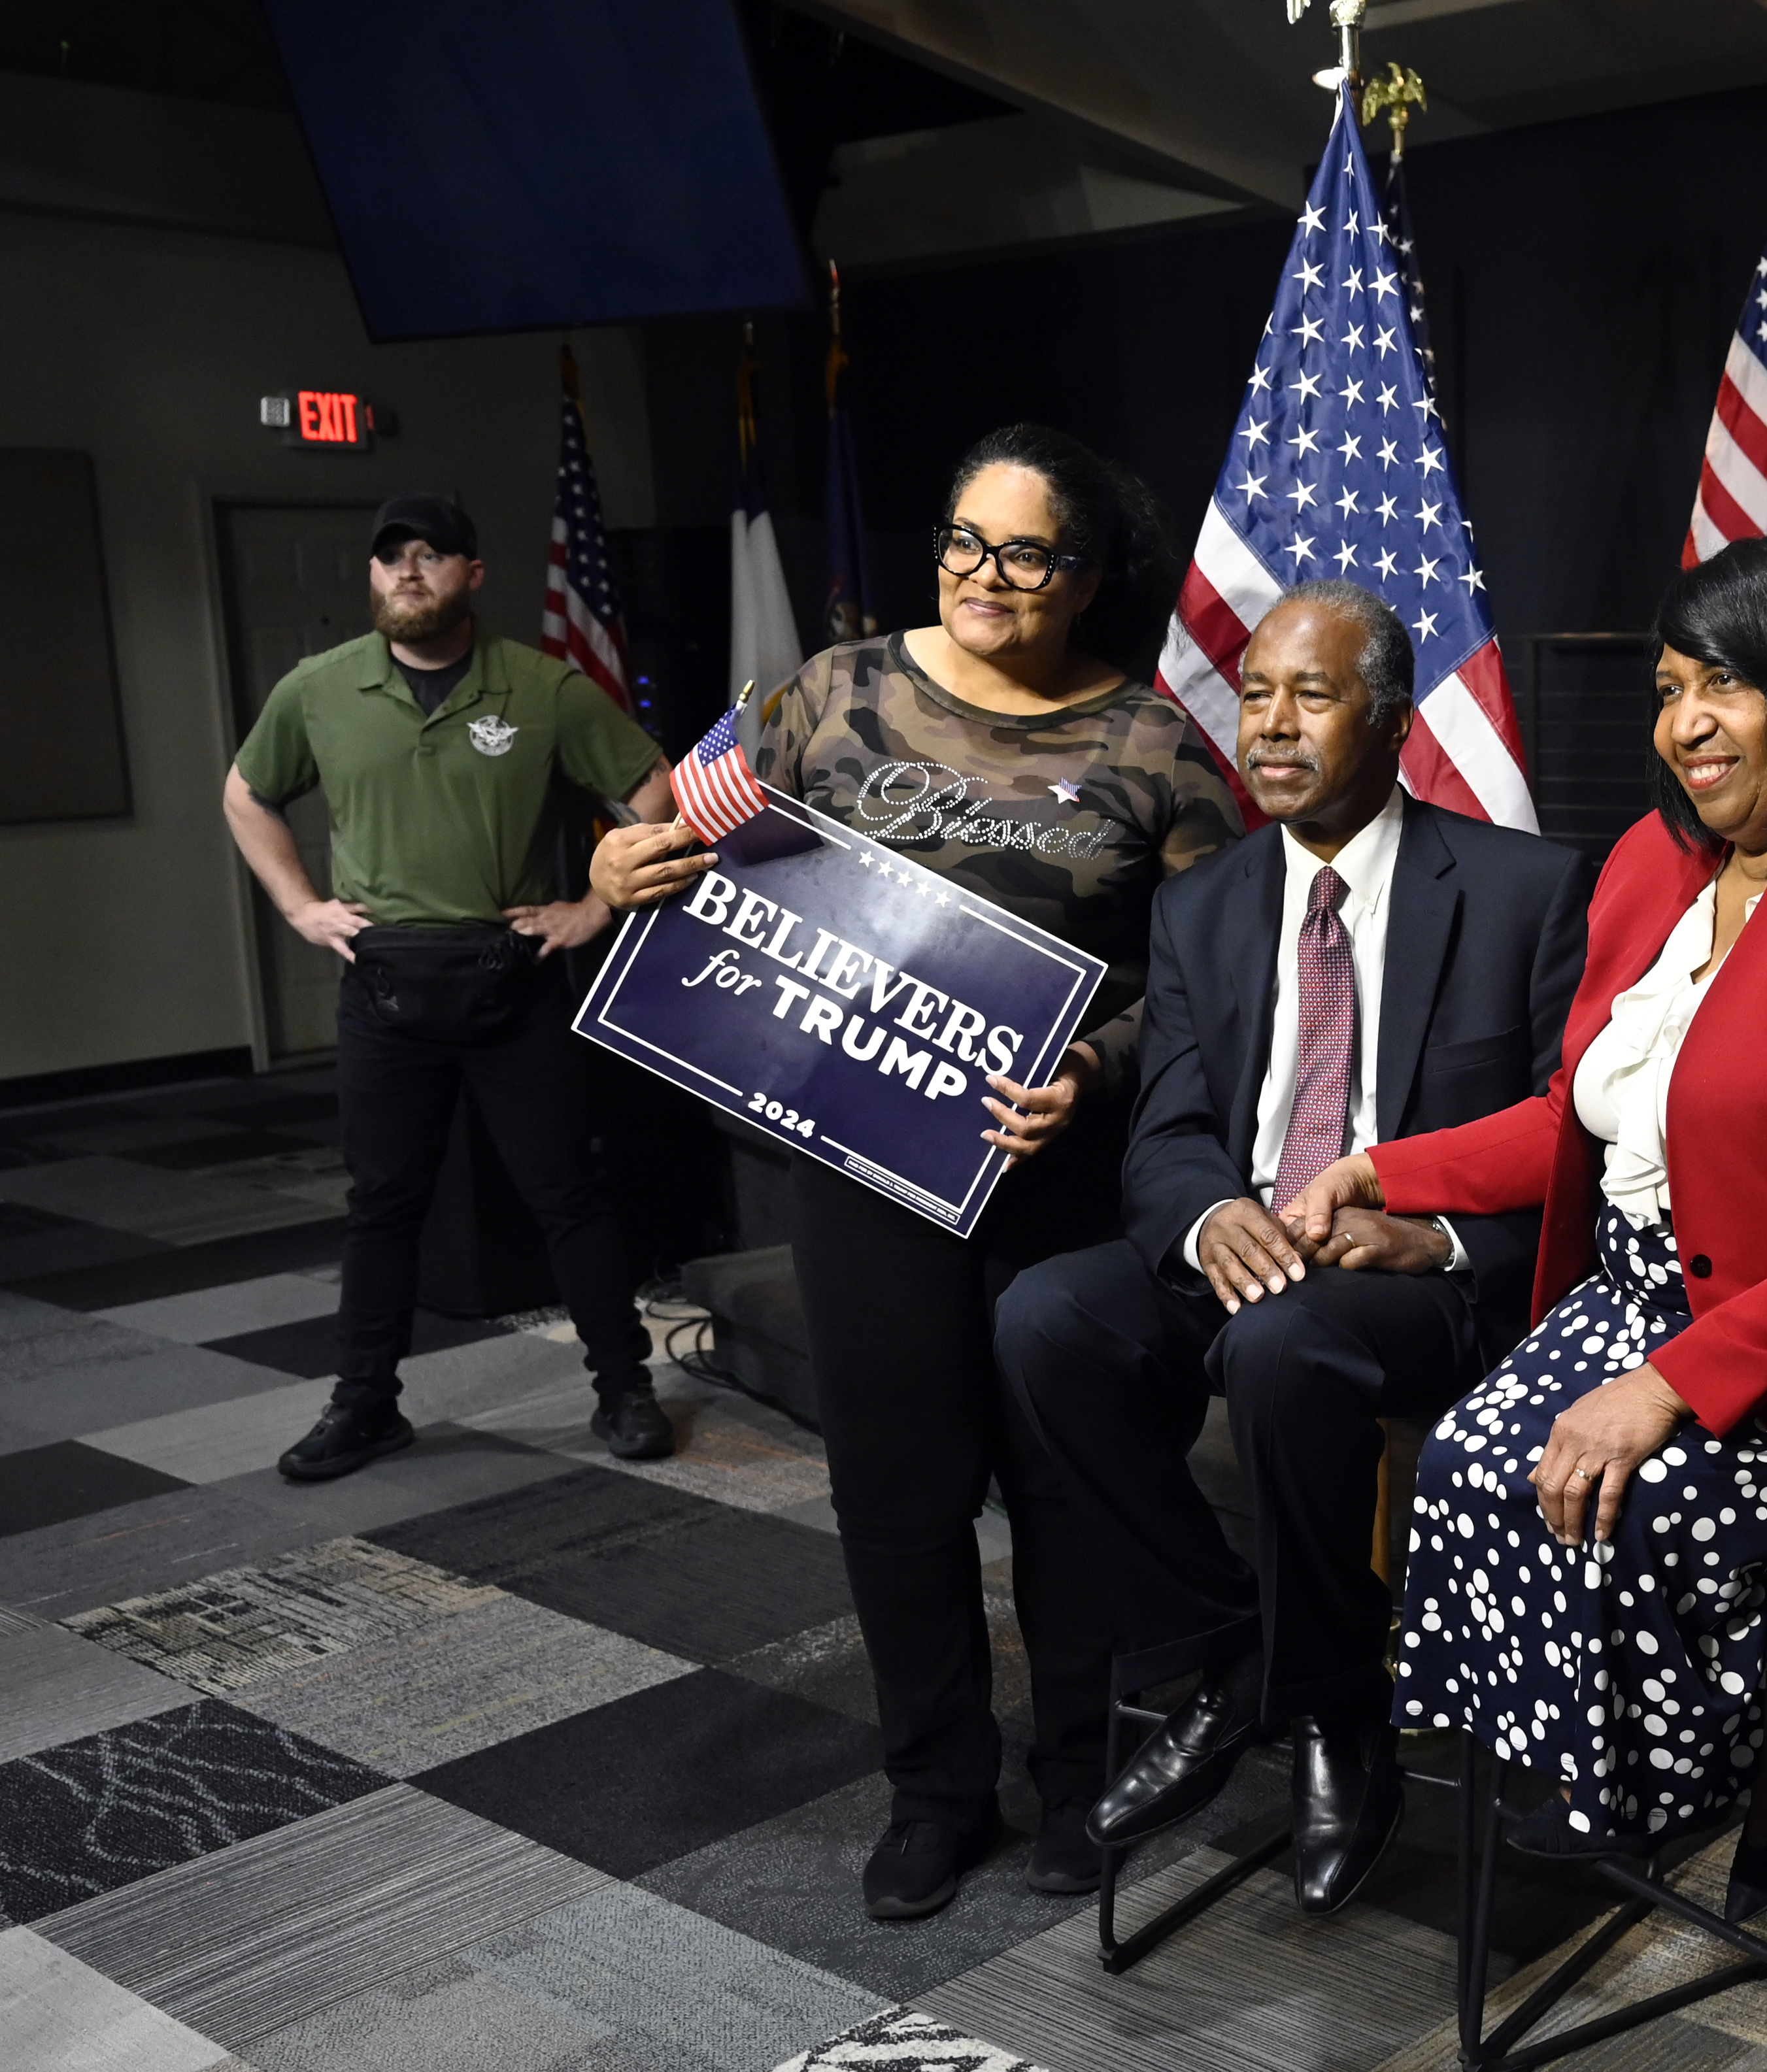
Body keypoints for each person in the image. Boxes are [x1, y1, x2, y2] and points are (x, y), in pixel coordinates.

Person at [1286, 535, 1767, 1920]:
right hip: (1629, 1295)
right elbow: (1577, 1113)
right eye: (1672, 687)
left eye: (1726, 684)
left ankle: (1705, 1783)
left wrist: (1671, 1385)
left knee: (1617, 1498)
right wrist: (1382, 1169)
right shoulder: (1645, 863)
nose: (1684, 724)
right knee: (1470, 1465)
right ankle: (1609, 1779)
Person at [591, 424, 1241, 1921]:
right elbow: (665, 833)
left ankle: (1082, 1777)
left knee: (1060, 1486)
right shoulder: (833, 693)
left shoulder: (1154, 749)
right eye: (965, 540)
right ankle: (935, 1789)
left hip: (1054, 1178)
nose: (985, 575)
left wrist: (1095, 1070)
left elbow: (1213, 990)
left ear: (1086, 576)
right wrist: (624, 867)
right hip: (865, 1165)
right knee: (897, 1491)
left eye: (1026, 553)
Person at [994, 581, 1590, 1919]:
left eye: (1311, 696)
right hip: (1251, 1252)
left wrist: (1430, 1226)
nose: (1271, 724)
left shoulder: (1525, 889)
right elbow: (1170, 1128)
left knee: (1280, 1344)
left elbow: (1573, 1137)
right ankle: (1223, 1657)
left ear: (1389, 721)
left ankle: (1337, 1718)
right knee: (1047, 1317)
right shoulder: (1206, 907)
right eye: (1257, 694)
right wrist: (1214, 1215)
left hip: (1420, 1283)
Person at [226, 493, 677, 1482]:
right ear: (374, 576)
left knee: (568, 1193)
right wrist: (301, 906)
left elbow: (660, 803)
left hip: (513, 978)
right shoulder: (319, 688)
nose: (407, 573)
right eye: (390, 559)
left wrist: (593, 908)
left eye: (429, 556)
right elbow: (247, 792)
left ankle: (624, 1388)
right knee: (383, 1204)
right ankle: (365, 1405)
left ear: (472, 573)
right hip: (385, 989)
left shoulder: (544, 689)